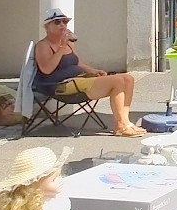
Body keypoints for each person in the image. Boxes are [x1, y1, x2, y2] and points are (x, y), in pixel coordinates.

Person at [34, 9, 143, 137]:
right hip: (59, 86)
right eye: (57, 22)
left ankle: (126, 123)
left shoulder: (68, 43)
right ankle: (120, 126)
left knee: (128, 78)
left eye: (65, 22)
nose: (62, 25)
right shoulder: (43, 46)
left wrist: (93, 71)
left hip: (77, 80)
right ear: (47, 27)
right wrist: (62, 47)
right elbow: (47, 69)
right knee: (117, 81)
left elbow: (77, 62)